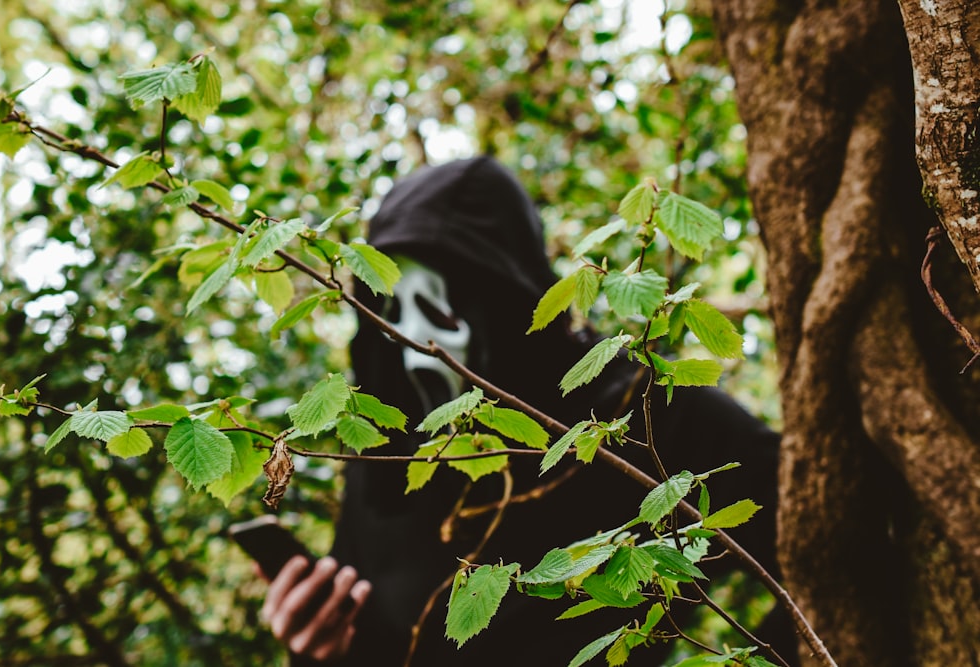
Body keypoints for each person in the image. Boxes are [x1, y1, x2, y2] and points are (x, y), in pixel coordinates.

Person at [259, 156, 798, 665]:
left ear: (505, 297)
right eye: (394, 312)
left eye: (441, 309)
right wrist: (315, 648)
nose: (415, 343)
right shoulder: (387, 468)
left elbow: (833, 546)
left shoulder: (646, 416)